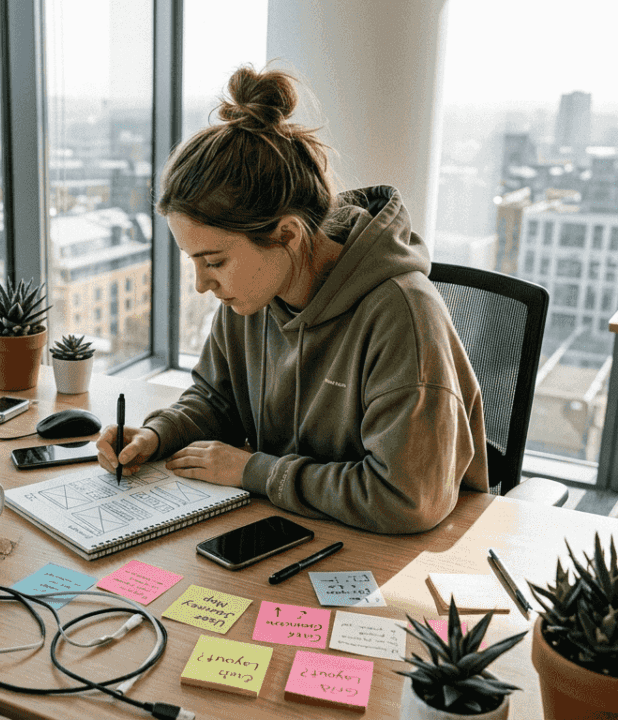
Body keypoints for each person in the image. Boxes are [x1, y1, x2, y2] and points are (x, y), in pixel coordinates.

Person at [96, 64, 488, 534]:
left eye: (214, 261)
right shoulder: (251, 297)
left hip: (399, 554)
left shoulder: (402, 314)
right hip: (294, 527)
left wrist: (251, 471)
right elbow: (218, 399)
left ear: (286, 234)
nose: (201, 284)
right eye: (193, 261)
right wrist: (159, 434)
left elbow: (406, 499)